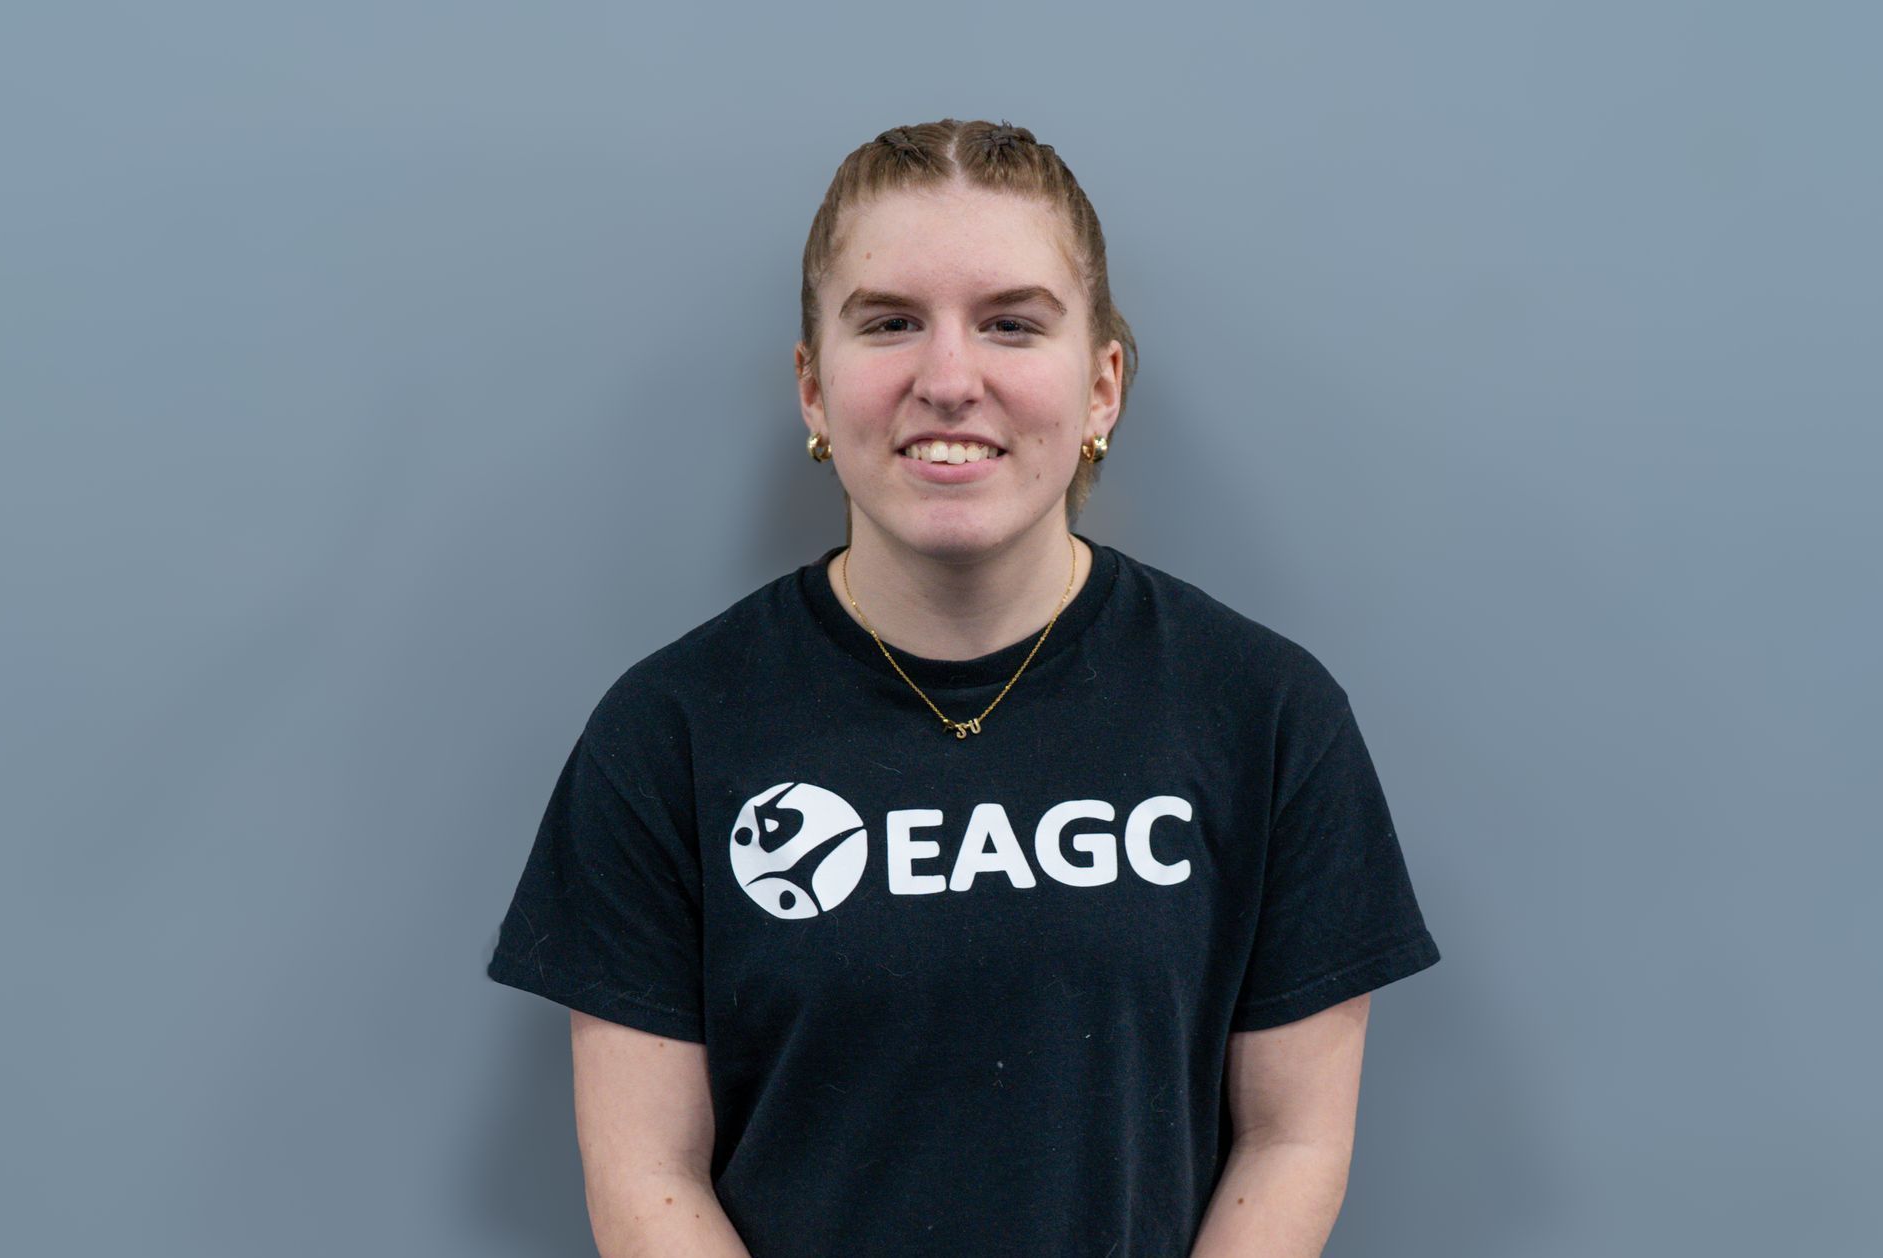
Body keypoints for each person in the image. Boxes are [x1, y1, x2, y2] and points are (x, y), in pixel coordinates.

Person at [485, 117, 1442, 1257]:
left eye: (1011, 324)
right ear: (811, 386)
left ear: (1101, 388)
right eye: (889, 323)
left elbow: (1292, 1142)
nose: (948, 379)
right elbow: (646, 1171)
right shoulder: (669, 732)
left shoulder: (1267, 715)